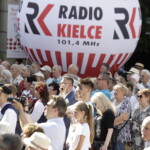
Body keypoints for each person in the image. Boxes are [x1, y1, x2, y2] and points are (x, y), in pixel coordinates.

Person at [113, 84, 131, 150]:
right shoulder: (113, 101)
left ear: (123, 92)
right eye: (114, 90)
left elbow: (122, 118)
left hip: (121, 134)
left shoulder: (126, 102)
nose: (115, 92)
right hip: (112, 133)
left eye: (117, 90)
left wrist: (109, 124)